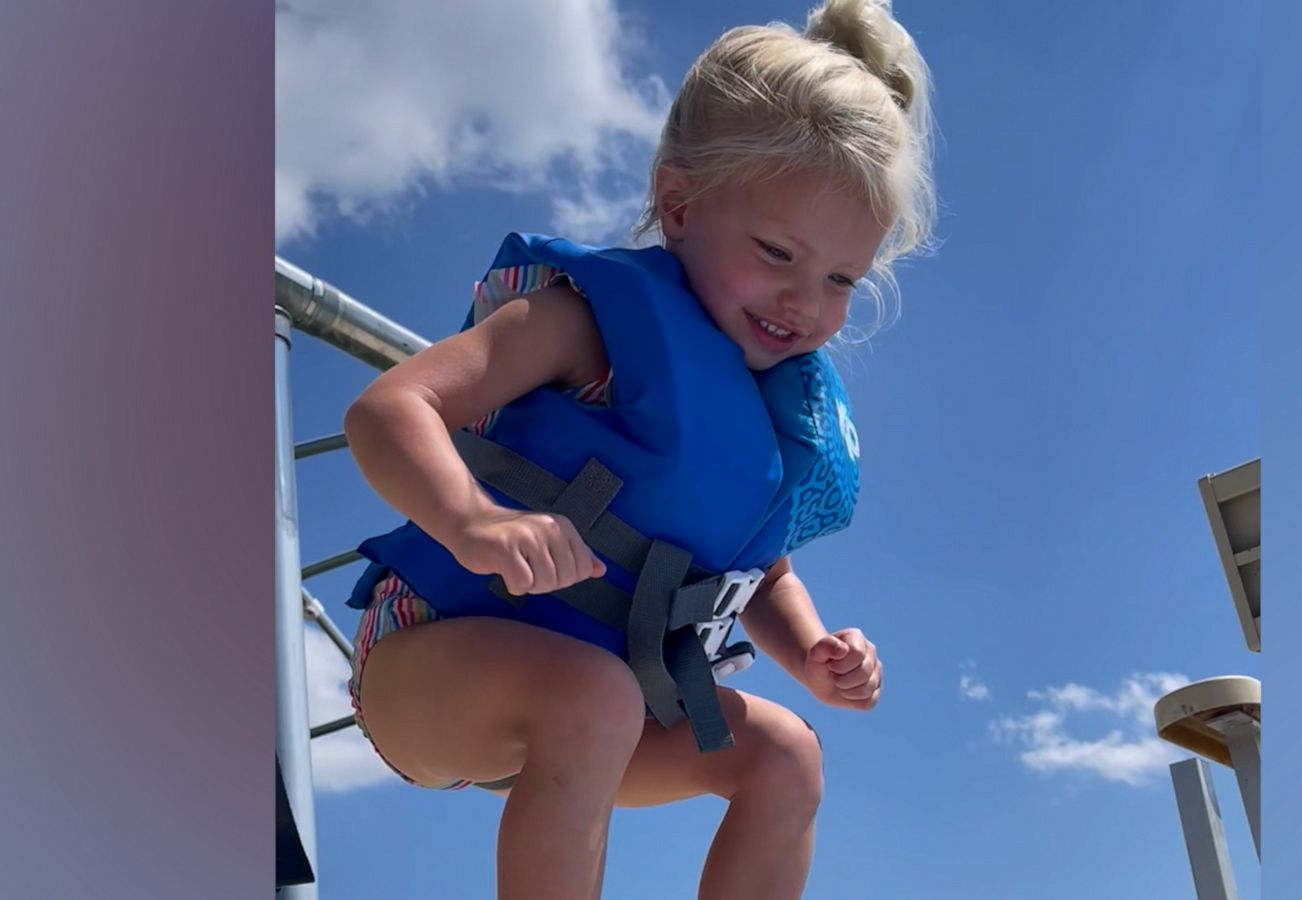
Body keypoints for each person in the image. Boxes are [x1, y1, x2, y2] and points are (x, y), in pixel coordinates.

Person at [341, 1, 935, 896]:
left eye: (841, 279)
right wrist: (471, 522)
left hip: (603, 713)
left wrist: (811, 648)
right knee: (594, 696)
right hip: (433, 663)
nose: (803, 301)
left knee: (786, 758)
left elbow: (756, 571)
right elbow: (389, 409)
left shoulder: (770, 424)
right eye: (777, 252)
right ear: (678, 204)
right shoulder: (586, 321)